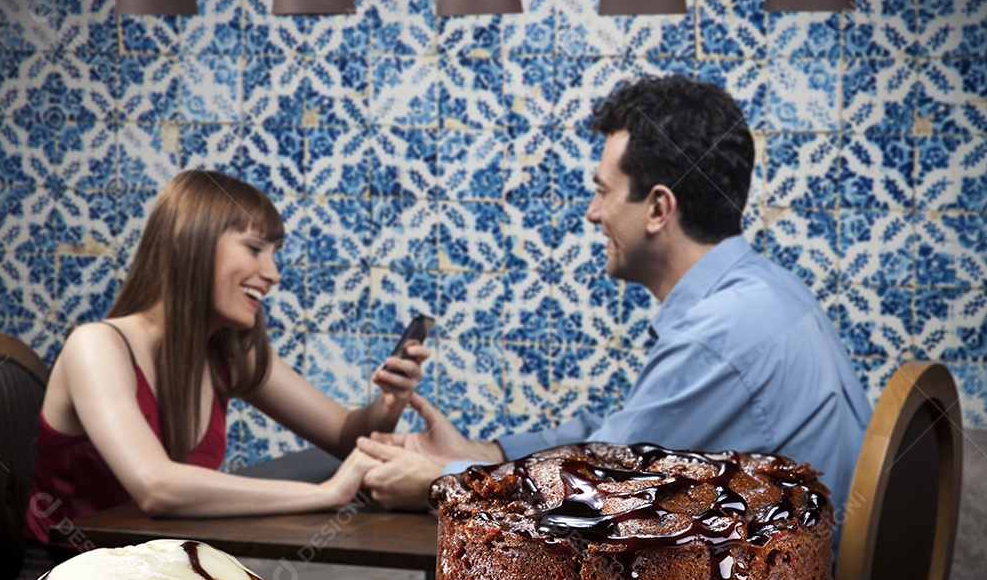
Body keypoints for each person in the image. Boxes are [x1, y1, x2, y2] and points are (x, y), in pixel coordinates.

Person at [359, 75, 872, 526]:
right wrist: (485, 453)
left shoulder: (721, 334)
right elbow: (620, 447)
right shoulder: (768, 291)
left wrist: (441, 483)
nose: (592, 213)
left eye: (603, 191)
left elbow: (597, 496)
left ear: (657, 208)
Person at [24, 169, 430, 557]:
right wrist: (326, 494)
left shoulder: (227, 353)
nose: (271, 274)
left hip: (160, 578)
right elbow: (156, 486)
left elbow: (345, 435)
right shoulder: (96, 346)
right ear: (188, 241)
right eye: (254, 248)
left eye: (274, 254)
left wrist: (389, 402)